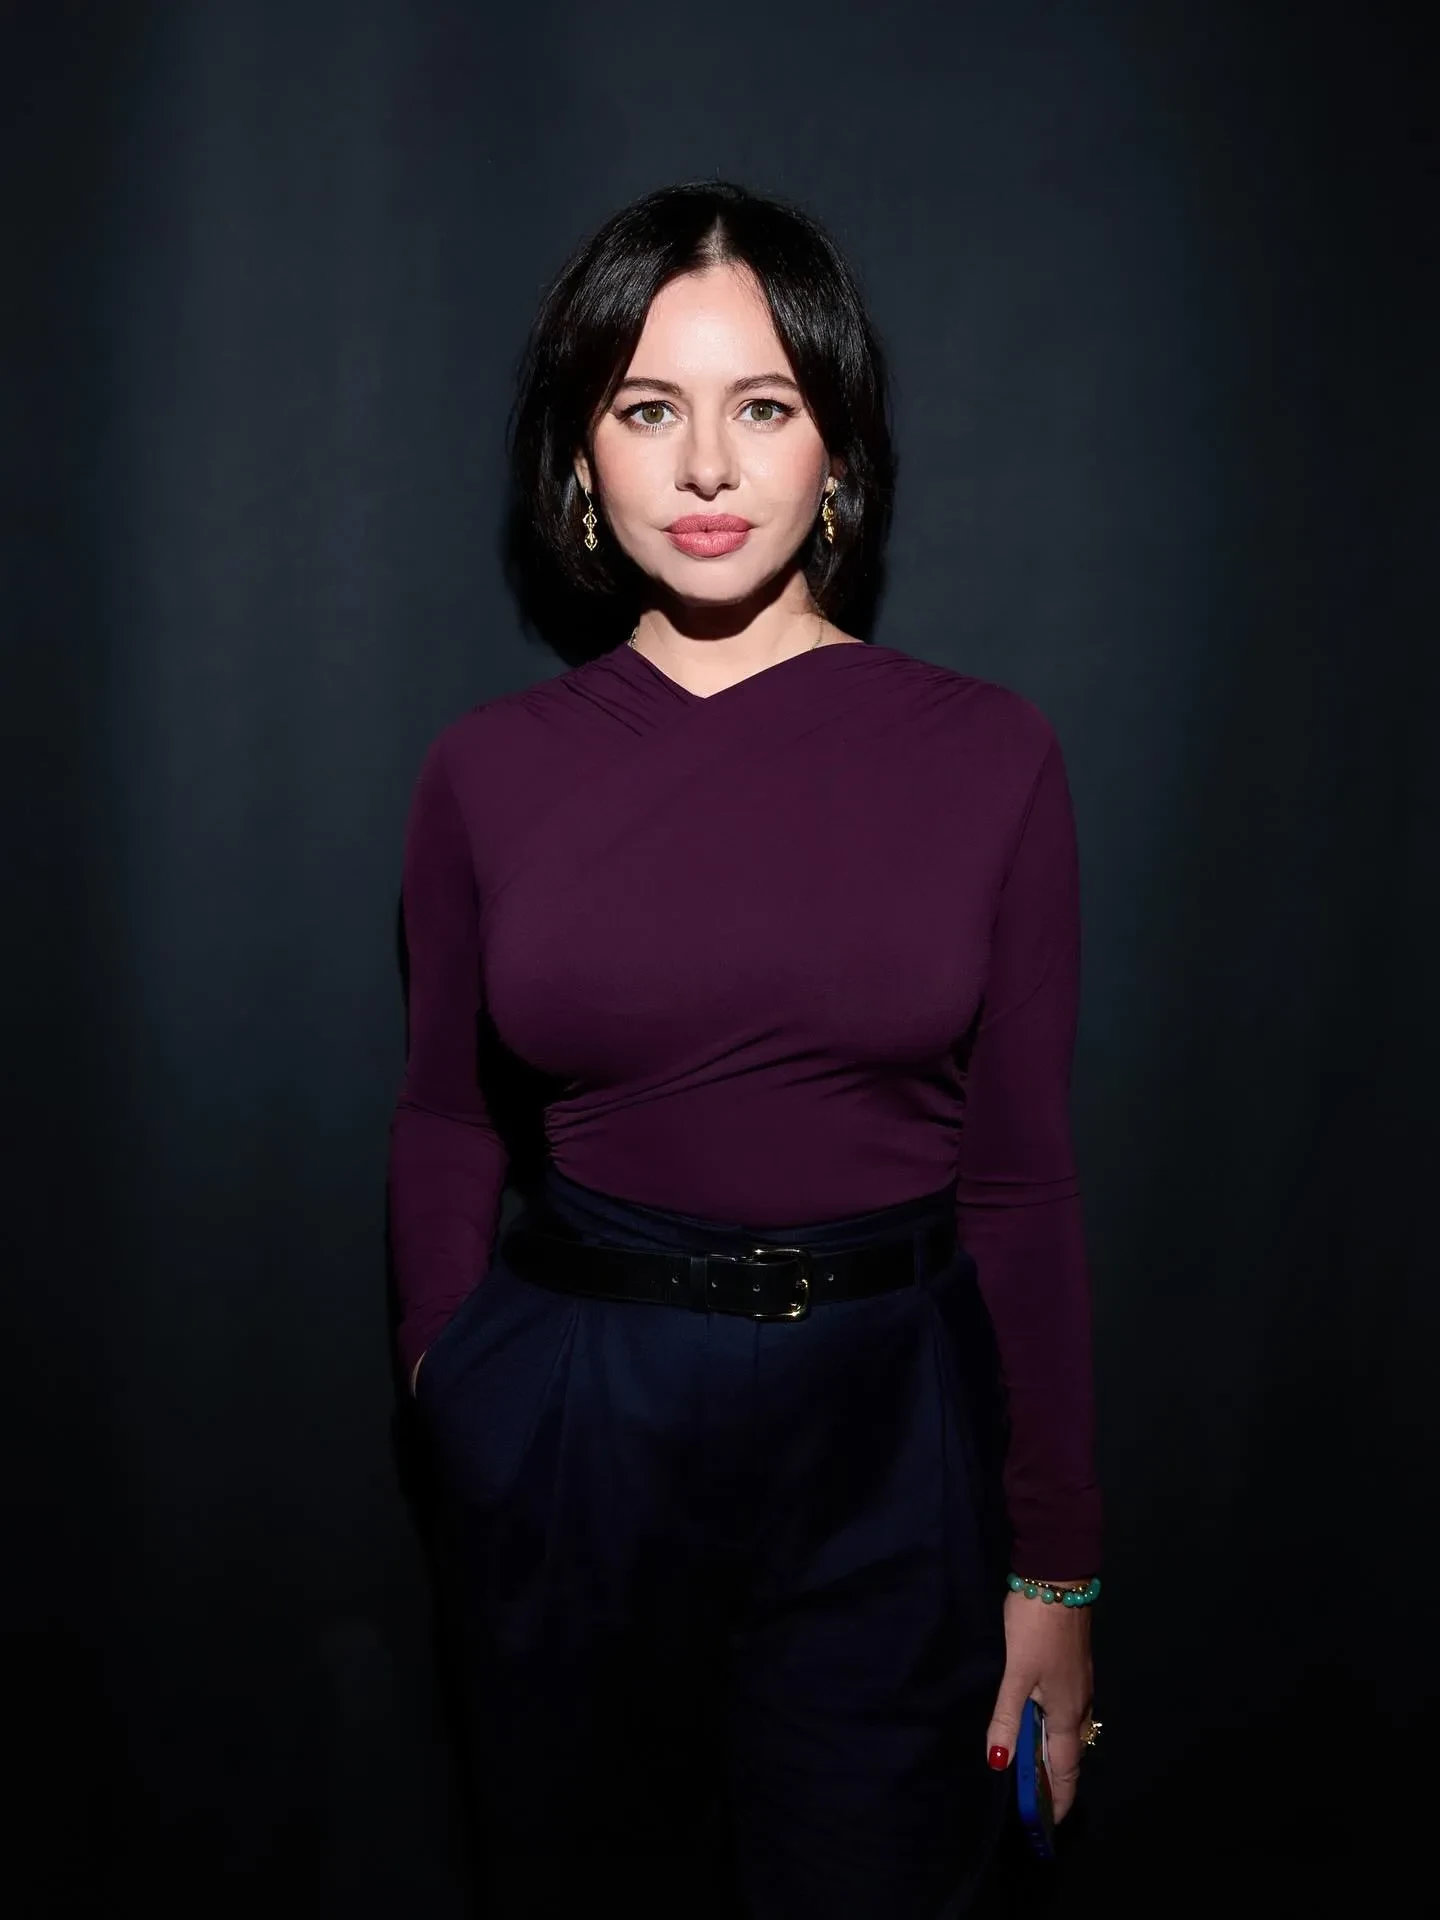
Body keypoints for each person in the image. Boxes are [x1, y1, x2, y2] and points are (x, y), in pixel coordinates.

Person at [387, 180, 1101, 1919]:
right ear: (581, 455)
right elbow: (444, 1120)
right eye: (647, 409)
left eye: (762, 406)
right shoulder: (488, 770)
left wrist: (1059, 1571)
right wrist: (451, 1385)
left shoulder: (990, 756)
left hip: (891, 1432)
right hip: (576, 1426)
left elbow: (1021, 1181)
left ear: (836, 447)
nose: (706, 466)